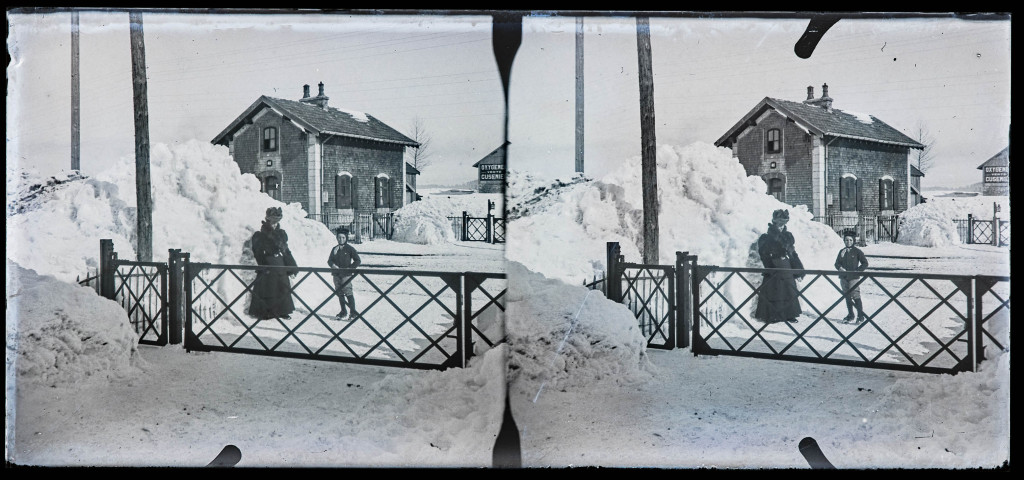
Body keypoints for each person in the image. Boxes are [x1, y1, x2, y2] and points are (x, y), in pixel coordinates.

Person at [753, 209, 803, 324]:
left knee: (789, 290)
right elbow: (764, 255)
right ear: (774, 223)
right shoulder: (766, 238)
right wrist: (770, 268)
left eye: (783, 225)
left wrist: (798, 270)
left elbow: (793, 254)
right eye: (779, 224)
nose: (781, 227)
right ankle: (773, 315)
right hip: (774, 267)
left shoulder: (788, 237)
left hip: (787, 267)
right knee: (775, 291)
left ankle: (790, 314)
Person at [248, 207, 296, 320]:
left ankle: (283, 311)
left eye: (277, 223)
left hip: (280, 266)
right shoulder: (260, 236)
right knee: (268, 288)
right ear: (267, 221)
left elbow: (286, 252)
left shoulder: (281, 235)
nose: (274, 225)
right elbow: (258, 253)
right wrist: (264, 265)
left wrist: (292, 267)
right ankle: (266, 312)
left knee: (282, 287)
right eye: (272, 222)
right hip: (268, 266)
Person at [327, 226, 361, 321]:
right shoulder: (334, 249)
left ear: (346, 238)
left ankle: (353, 312)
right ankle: (343, 311)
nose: (341, 239)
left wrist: (349, 268)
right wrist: (333, 265)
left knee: (348, 292)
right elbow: (329, 261)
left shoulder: (350, 249)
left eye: (343, 238)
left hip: (346, 275)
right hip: (336, 275)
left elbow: (357, 261)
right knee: (340, 293)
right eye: (339, 237)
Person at [834, 230, 869, 323]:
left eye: (850, 240)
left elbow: (865, 263)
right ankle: (851, 315)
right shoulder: (842, 251)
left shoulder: (857, 251)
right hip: (843, 278)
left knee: (855, 295)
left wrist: (857, 271)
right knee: (847, 296)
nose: (848, 242)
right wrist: (840, 268)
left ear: (853, 241)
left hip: (854, 278)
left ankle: (860, 316)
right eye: (846, 240)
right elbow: (836, 263)